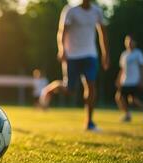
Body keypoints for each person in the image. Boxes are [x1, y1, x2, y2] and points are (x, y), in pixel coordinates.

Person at [39, 0, 109, 131]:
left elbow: (102, 33)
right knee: (69, 90)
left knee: (91, 86)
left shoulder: (97, 11)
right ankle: (48, 90)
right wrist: (62, 49)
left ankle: (89, 122)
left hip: (90, 55)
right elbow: (62, 32)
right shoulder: (70, 10)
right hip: (72, 56)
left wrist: (105, 54)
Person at [115, 35, 143, 123]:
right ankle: (128, 115)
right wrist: (118, 79)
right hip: (125, 81)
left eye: (131, 41)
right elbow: (122, 69)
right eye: (127, 41)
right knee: (119, 97)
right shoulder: (124, 54)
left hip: (135, 81)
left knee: (133, 100)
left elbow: (142, 67)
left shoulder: (138, 53)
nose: (129, 43)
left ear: (135, 42)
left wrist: (141, 79)